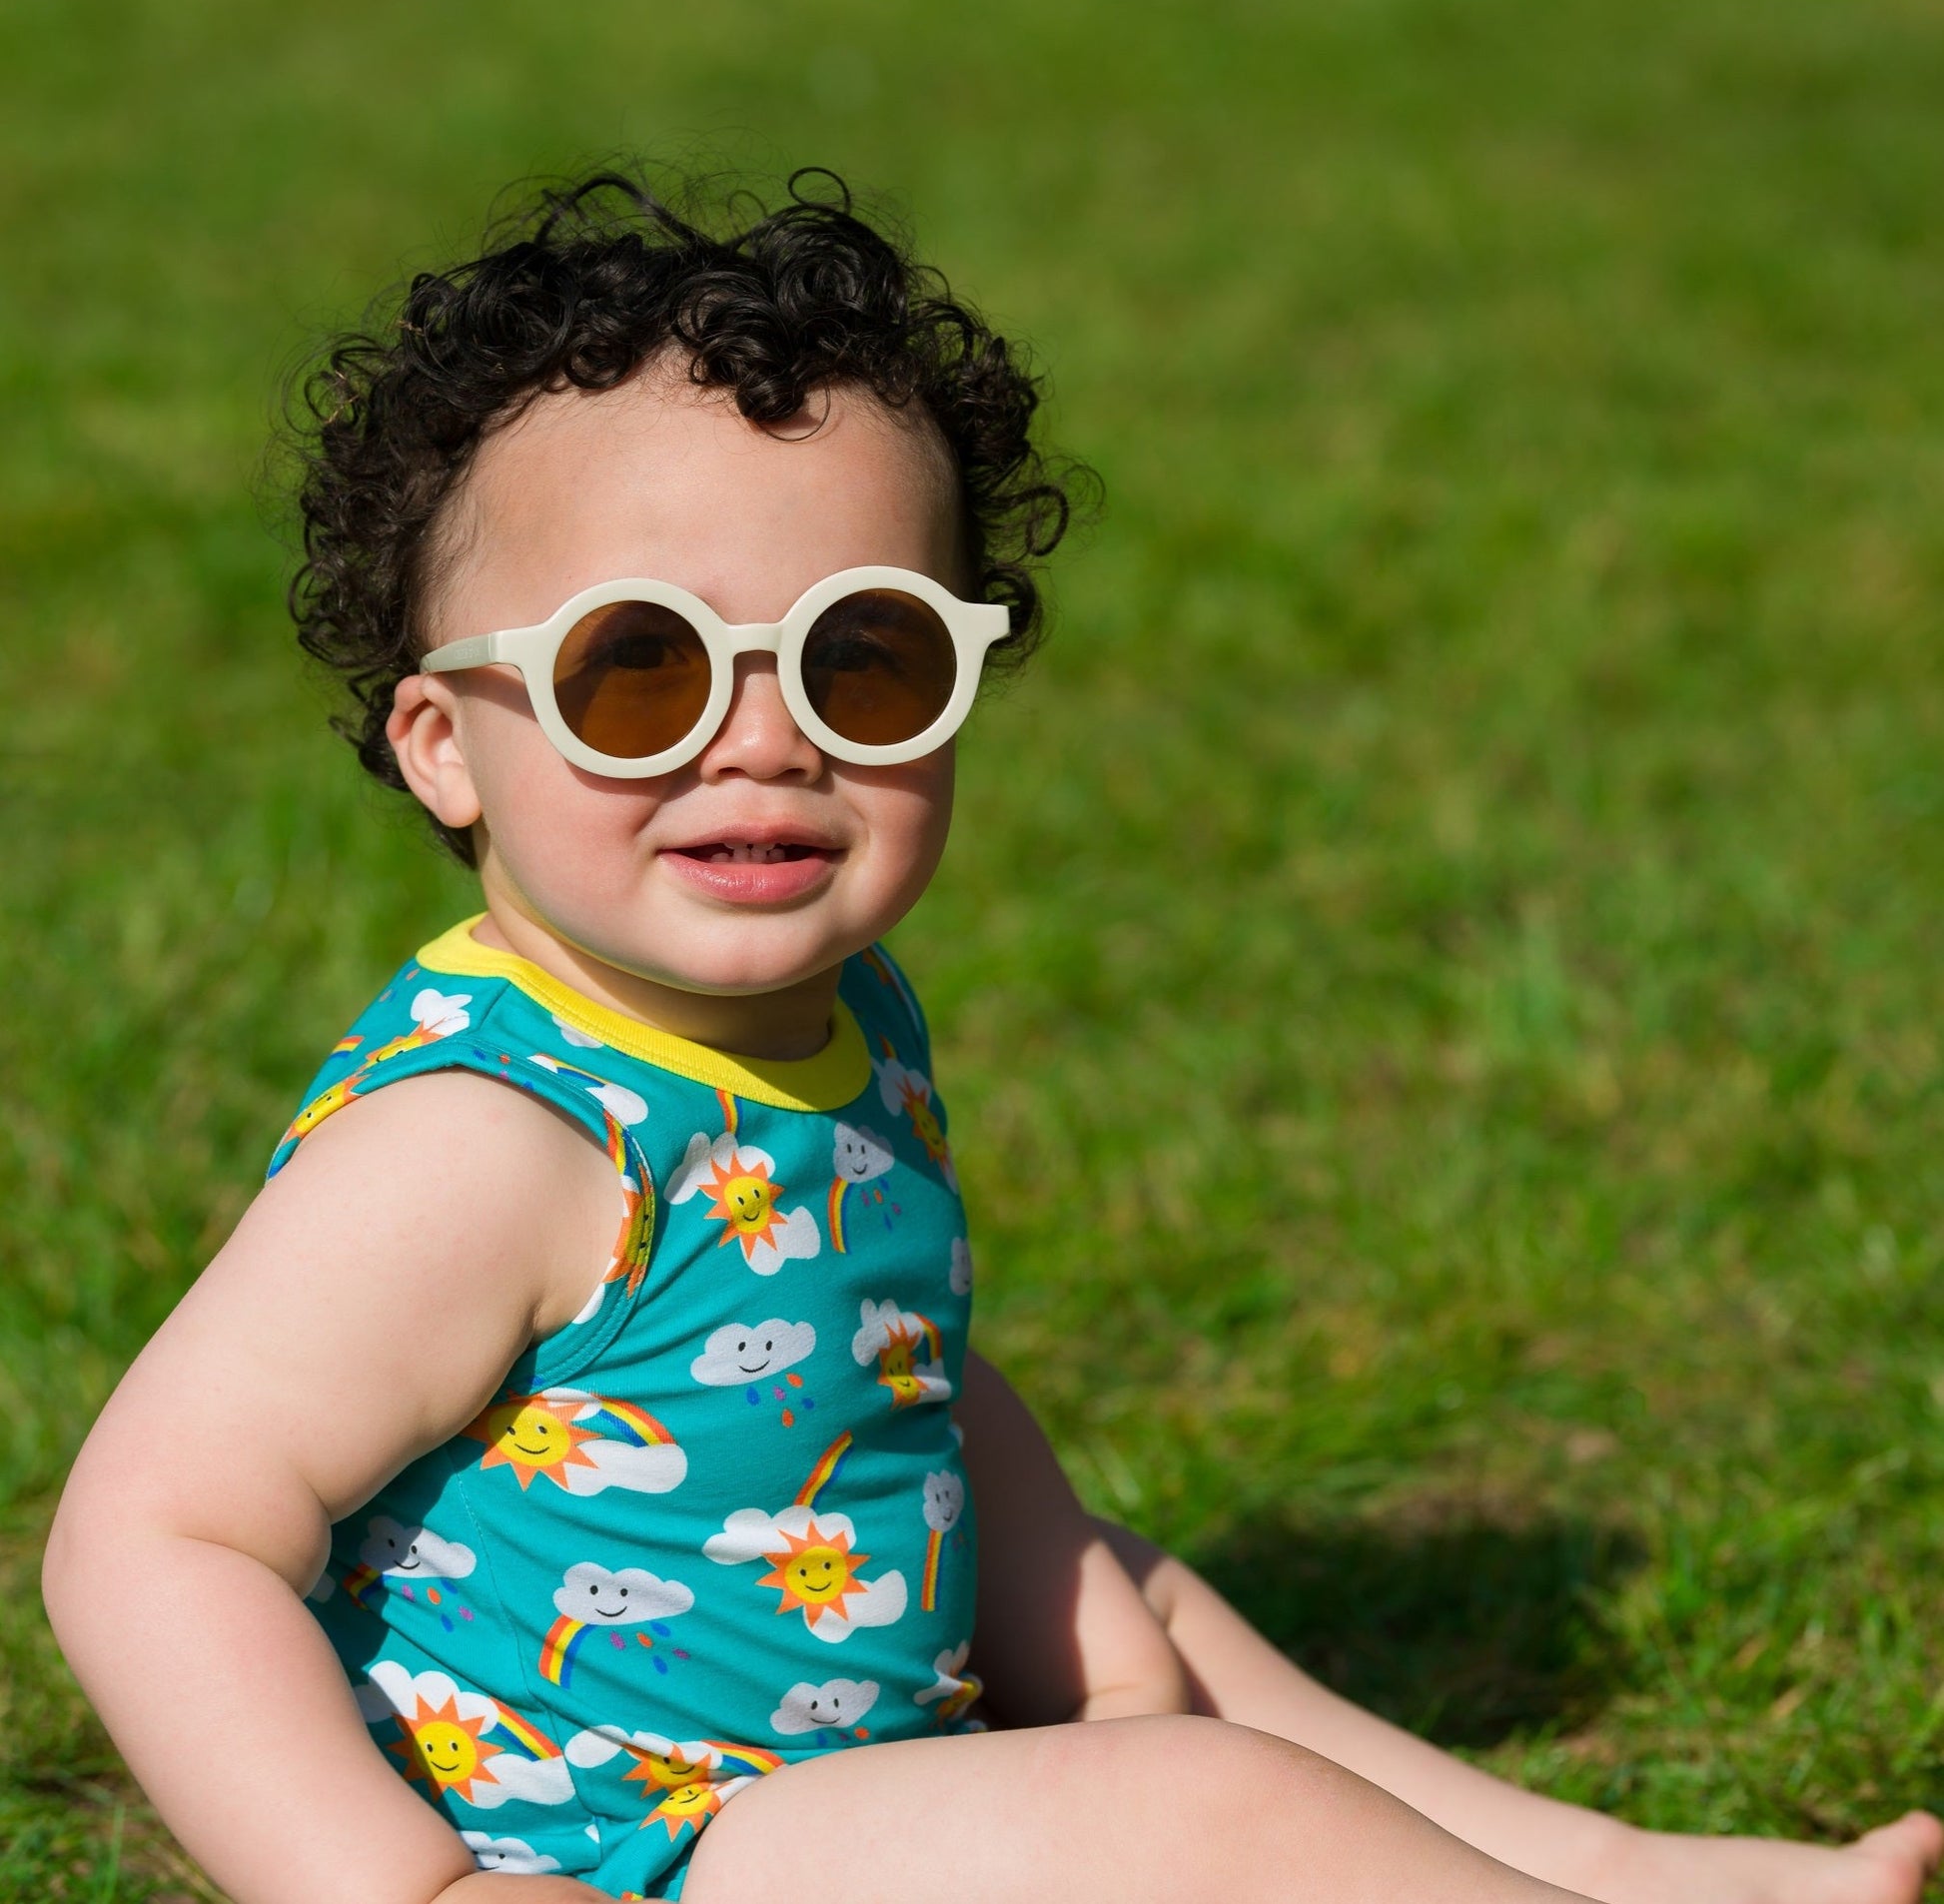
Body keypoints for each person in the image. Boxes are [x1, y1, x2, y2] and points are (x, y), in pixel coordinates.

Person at [41, 171, 1941, 1904]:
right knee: (1202, 1815)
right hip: (626, 1849)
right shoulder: (490, 1138)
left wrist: (1104, 1655)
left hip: (827, 1783)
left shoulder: (834, 1013)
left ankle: (1606, 1860)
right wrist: (401, 1888)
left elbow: (888, 1365)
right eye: (641, 672)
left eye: (863, 656)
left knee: (1166, 1624)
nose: (768, 738)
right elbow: (157, 1530)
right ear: (442, 741)